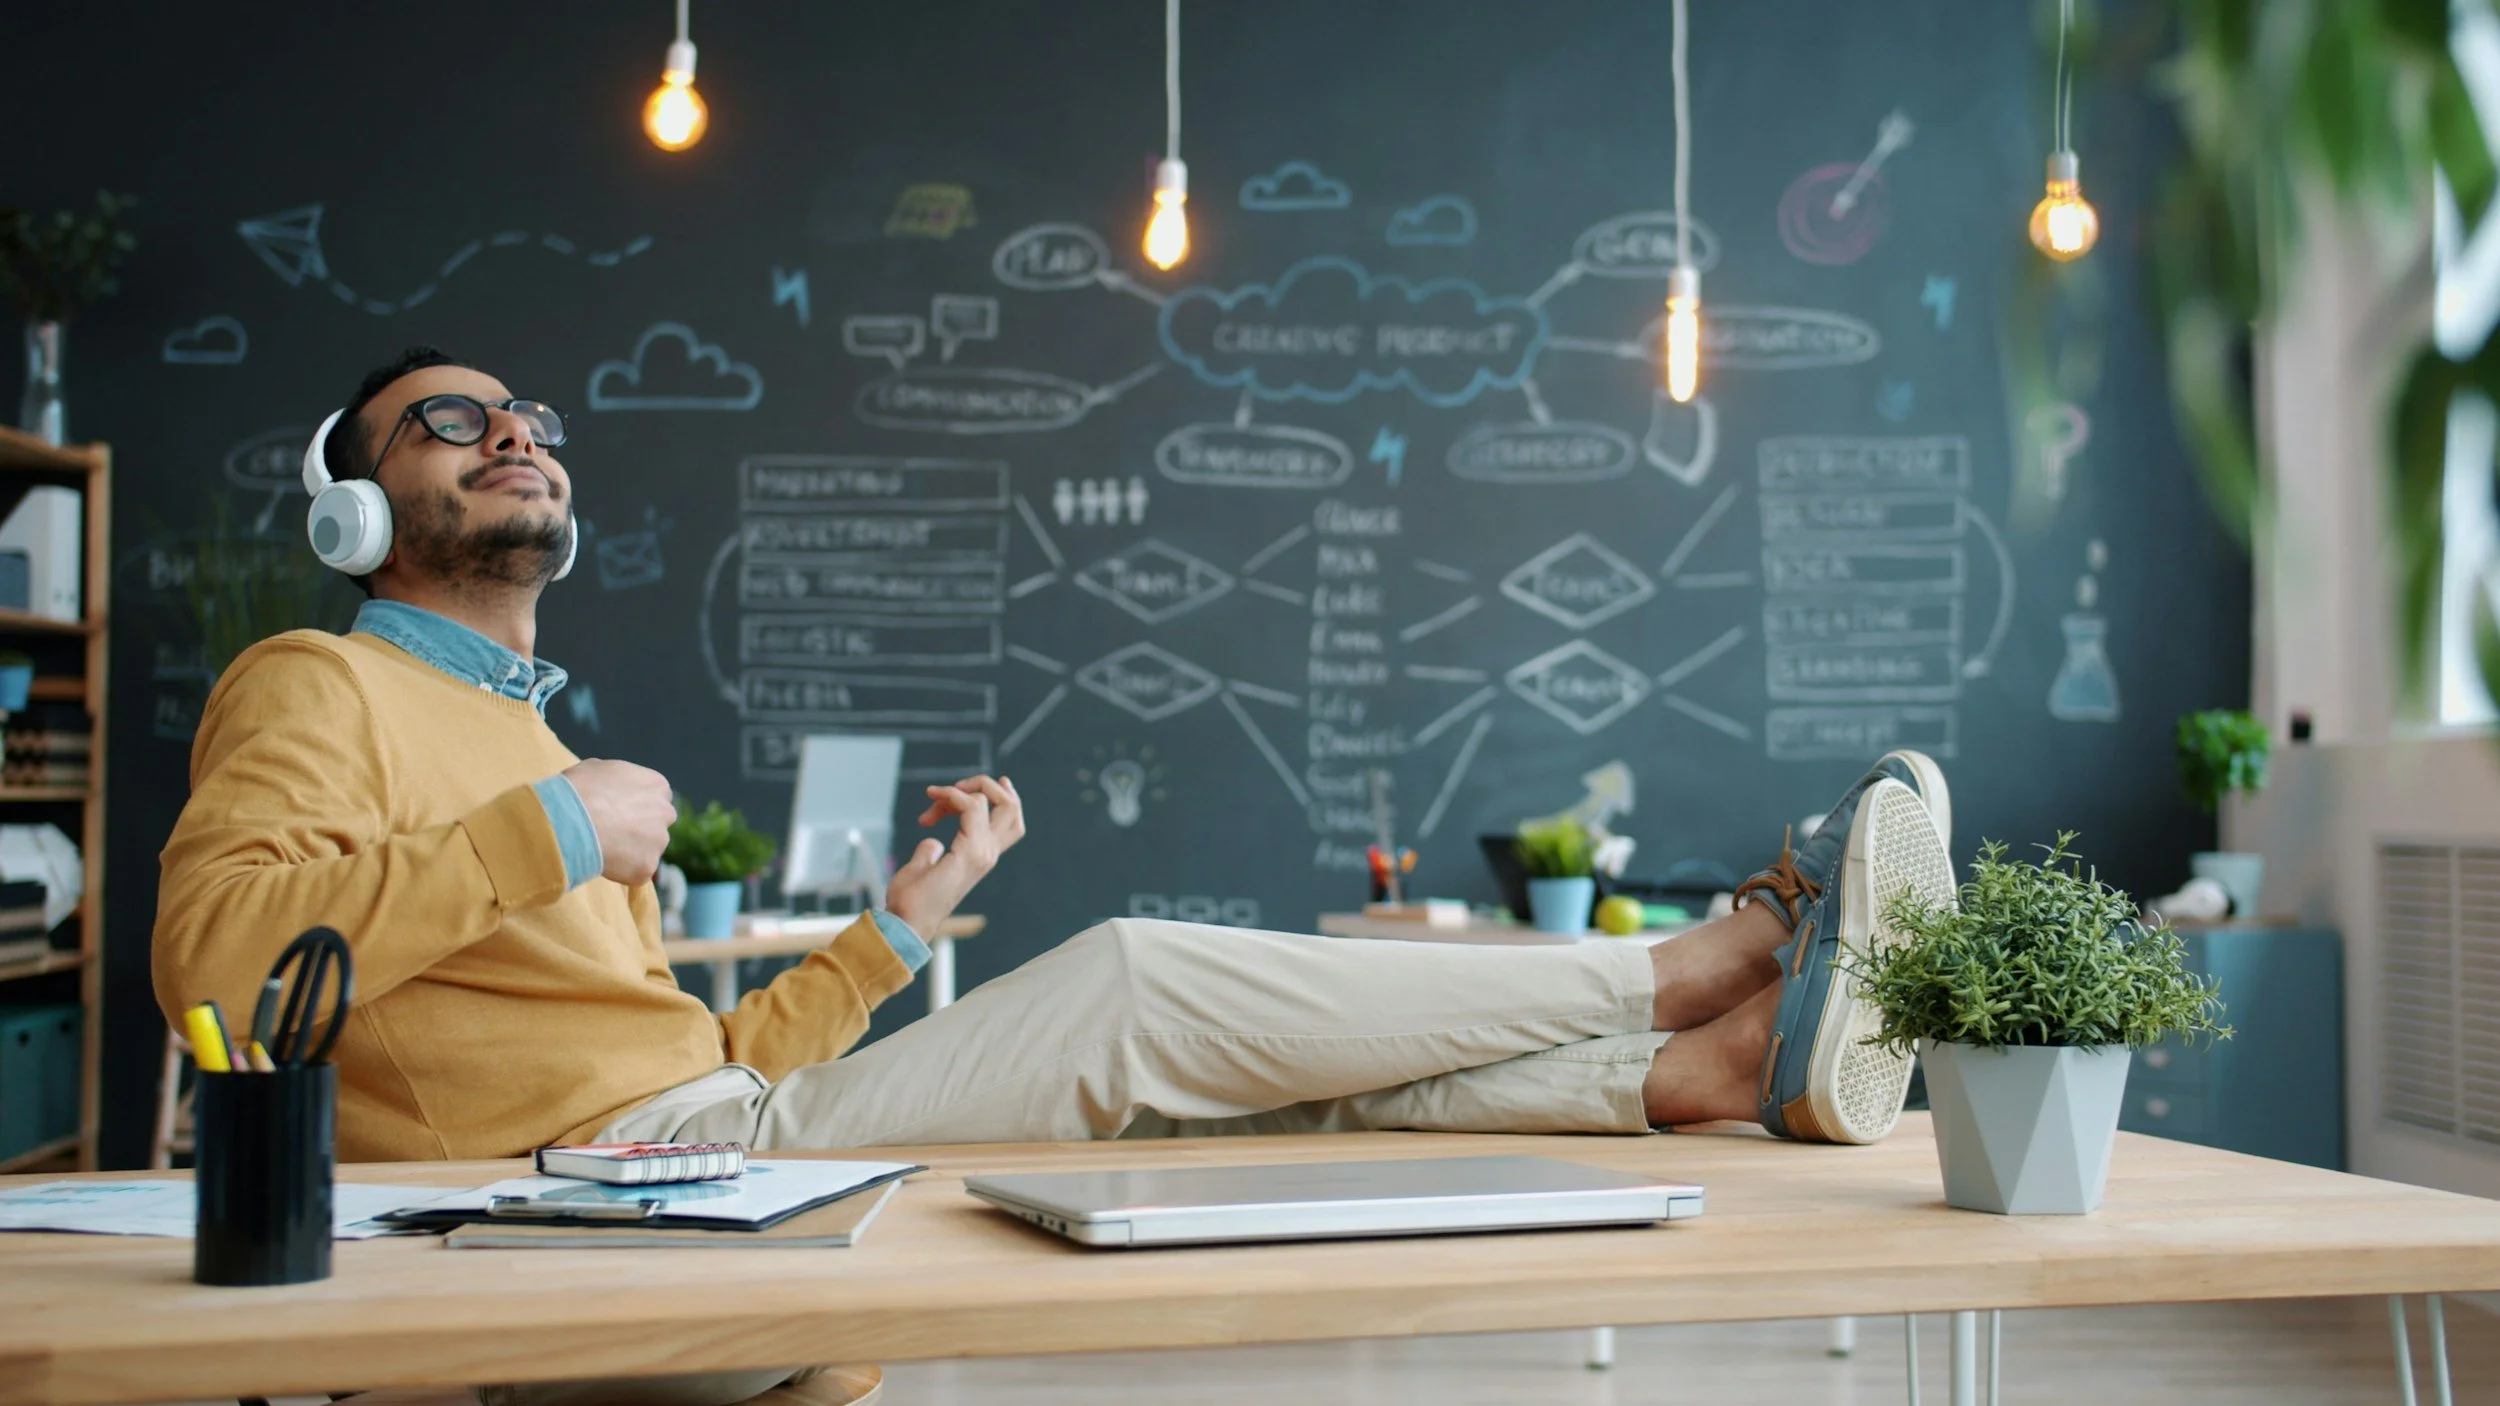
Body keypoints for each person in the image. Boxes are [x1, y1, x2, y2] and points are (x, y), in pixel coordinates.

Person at [154, 346, 1958, 1171]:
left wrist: (897, 924)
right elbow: (210, 971)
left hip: (697, 1133)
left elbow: (706, 1058)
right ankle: (1691, 967)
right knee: (1135, 989)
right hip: (592, 1184)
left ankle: (1690, 1079)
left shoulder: (530, 730)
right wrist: (548, 826)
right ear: (346, 505)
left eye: (529, 420)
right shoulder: (313, 681)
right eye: (447, 422)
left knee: (1251, 1087)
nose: (511, 437)